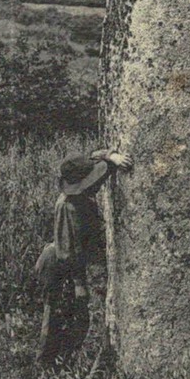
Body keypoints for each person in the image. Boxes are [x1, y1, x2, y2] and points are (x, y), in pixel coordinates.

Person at [35, 148, 133, 365]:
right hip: (58, 264)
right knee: (57, 314)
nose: (93, 183)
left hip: (68, 257)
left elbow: (97, 158)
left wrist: (112, 157)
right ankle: (47, 364)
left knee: (76, 314)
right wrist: (80, 284)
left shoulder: (83, 189)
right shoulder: (69, 207)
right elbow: (69, 252)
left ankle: (66, 358)